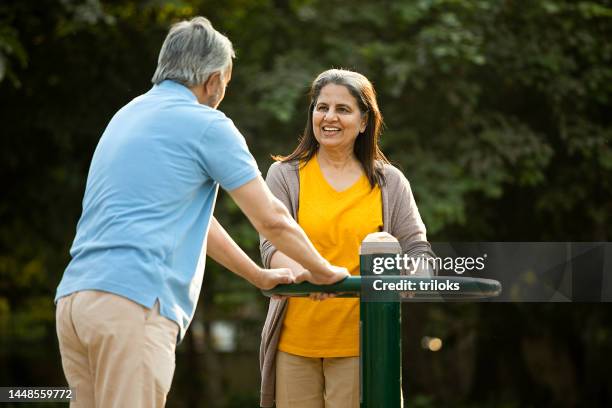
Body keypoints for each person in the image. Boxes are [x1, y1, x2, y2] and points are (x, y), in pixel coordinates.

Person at [54, 17, 348, 408]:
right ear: (213, 80)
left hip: (76, 302)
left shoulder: (126, 115)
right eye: (226, 80)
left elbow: (195, 221)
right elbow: (271, 217)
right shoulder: (205, 124)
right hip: (134, 303)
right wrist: (325, 272)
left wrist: (257, 274)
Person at [259, 69, 436, 407]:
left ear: (364, 121)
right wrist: (310, 272)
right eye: (321, 107)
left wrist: (416, 273)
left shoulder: (390, 182)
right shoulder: (284, 175)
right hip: (295, 344)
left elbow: (418, 250)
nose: (329, 117)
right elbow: (272, 246)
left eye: (343, 109)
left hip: (362, 346)